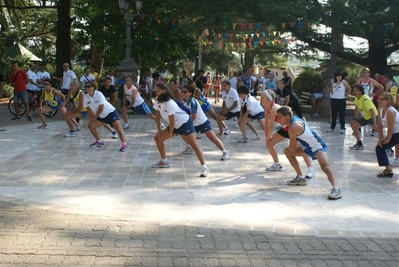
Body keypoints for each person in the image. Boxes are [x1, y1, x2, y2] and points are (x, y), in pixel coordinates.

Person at [276, 106, 341, 200]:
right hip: (307, 148)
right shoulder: (293, 122)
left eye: (280, 117)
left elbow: (293, 148)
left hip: (318, 147)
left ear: (287, 117)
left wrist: (292, 148)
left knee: (325, 167)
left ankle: (336, 188)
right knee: (287, 151)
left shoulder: (293, 127)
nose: (278, 119)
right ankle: (300, 177)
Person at [152, 83, 209, 177]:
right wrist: (159, 132)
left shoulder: (169, 103)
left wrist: (169, 132)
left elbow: (172, 122)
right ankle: (164, 161)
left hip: (185, 122)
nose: (156, 91)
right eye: (156, 90)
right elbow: (157, 118)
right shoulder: (157, 102)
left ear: (164, 91)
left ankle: (204, 167)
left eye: (158, 90)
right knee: (157, 138)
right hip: (174, 125)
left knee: (194, 144)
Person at [263, 89, 315, 178]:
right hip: (285, 128)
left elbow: (271, 125)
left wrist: (268, 136)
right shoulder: (266, 107)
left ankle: (311, 169)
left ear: (268, 99)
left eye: (263, 97)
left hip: (293, 127)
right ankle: (277, 164)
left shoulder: (273, 108)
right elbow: (267, 123)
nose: (261, 99)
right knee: (269, 143)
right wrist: (267, 136)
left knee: (301, 148)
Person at [181, 84, 229, 160]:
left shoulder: (193, 102)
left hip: (202, 123)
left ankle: (225, 152)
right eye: (182, 91)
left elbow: (193, 117)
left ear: (190, 93)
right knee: (181, 132)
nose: (183, 93)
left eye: (185, 92)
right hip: (193, 124)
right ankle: (189, 147)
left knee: (213, 138)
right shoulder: (183, 102)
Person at [83, 82, 127, 152]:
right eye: (86, 86)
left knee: (118, 128)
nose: (87, 88)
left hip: (110, 112)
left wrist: (96, 117)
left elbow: (101, 107)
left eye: (89, 86)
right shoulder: (85, 97)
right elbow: (88, 109)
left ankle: (124, 144)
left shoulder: (99, 94)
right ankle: (99, 141)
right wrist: (91, 119)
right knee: (90, 126)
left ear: (93, 88)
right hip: (100, 115)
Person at [375, 92, 399, 177]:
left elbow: (390, 129)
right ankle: (388, 169)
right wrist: (380, 140)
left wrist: (387, 140)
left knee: (380, 148)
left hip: (397, 133)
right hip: (394, 133)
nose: (379, 101)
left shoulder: (390, 111)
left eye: (382, 99)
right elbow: (380, 126)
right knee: (379, 147)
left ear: (388, 101)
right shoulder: (380, 109)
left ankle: (388, 170)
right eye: (379, 99)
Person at [350, 84, 378, 150]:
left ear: (361, 91)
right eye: (354, 90)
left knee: (379, 131)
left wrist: (374, 124)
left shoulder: (365, 99)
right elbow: (356, 108)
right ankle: (359, 143)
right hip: (366, 117)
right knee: (353, 125)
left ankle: (389, 148)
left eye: (356, 90)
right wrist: (355, 119)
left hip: (374, 116)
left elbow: (372, 112)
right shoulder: (357, 98)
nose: (354, 92)